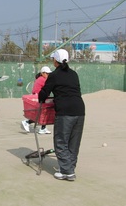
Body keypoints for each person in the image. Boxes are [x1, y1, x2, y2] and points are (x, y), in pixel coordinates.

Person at [39, 49, 85, 181]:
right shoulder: (74, 74)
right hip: (80, 111)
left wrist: (40, 98)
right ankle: (67, 168)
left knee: (60, 142)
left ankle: (68, 171)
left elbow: (44, 92)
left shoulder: (54, 75)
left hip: (65, 112)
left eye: (53, 59)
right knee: (73, 143)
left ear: (55, 61)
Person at [22, 66, 52, 134]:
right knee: (40, 114)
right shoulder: (42, 79)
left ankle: (43, 128)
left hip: (41, 97)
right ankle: (27, 122)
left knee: (44, 112)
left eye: (49, 73)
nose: (48, 75)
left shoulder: (41, 78)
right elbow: (49, 87)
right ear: (43, 73)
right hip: (38, 98)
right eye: (47, 73)